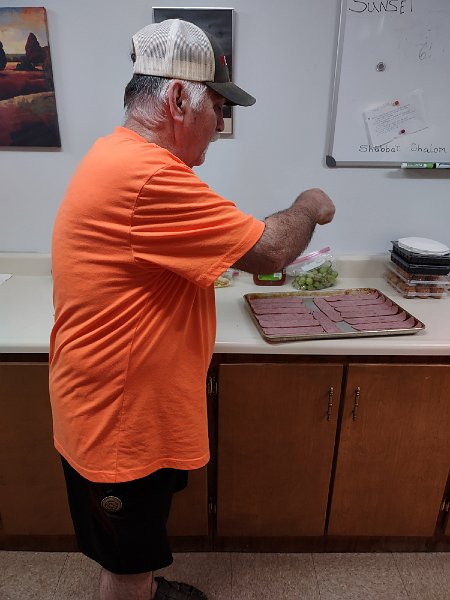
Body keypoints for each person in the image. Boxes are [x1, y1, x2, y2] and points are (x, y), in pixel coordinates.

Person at [49, 18, 335, 600]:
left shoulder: (118, 155)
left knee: (137, 542)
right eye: (218, 107)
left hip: (117, 404)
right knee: (125, 565)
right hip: (121, 420)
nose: (222, 122)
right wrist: (309, 204)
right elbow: (269, 249)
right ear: (178, 97)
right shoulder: (149, 175)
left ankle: (146, 586)